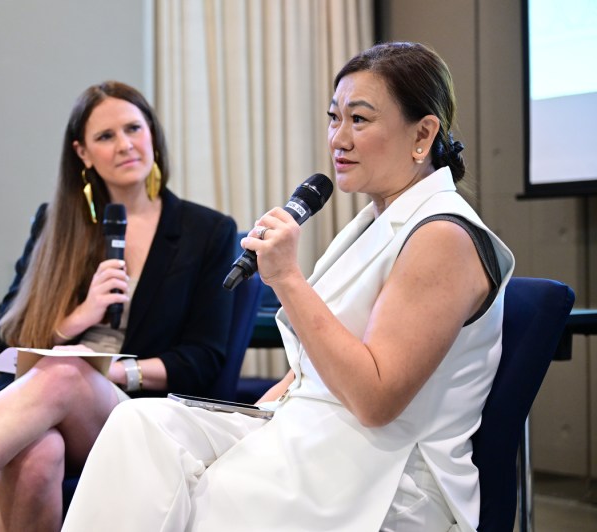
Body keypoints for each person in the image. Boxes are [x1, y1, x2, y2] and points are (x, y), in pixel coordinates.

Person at [61, 42, 516, 532]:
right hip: (306, 431)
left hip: (383, 473)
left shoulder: (443, 236)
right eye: (333, 117)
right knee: (138, 427)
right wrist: (248, 423)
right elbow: (308, 372)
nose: (338, 139)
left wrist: (286, 278)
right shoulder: (375, 222)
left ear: (423, 134)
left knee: (205, 496)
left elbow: (375, 400)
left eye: (359, 120)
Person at [0, 81, 237, 532]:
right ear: (83, 153)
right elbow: (4, 339)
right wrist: (81, 316)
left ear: (152, 132)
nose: (125, 144)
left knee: (68, 372)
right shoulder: (56, 223)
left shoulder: (207, 231)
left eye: (134, 128)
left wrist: (105, 371)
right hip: (39, 399)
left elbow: (205, 358)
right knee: (39, 454)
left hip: (137, 410)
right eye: (105, 136)